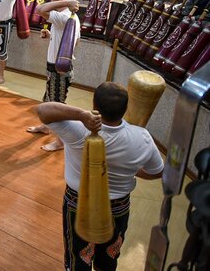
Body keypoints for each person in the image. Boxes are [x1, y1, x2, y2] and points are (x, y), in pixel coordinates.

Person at [36, 82, 164, 271]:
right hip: (119, 207)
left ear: (94, 106)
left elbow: (43, 110)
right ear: (125, 109)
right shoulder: (142, 137)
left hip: (79, 202)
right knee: (109, 258)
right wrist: (131, 169)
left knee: (79, 257)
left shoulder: (79, 130)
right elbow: (158, 171)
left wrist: (81, 115)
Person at [26, 0, 80, 152]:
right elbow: (73, 40)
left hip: (59, 69)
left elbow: (40, 9)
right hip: (54, 67)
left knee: (57, 106)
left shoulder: (64, 16)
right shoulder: (67, 17)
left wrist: (65, 4)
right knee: (48, 100)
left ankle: (60, 141)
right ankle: (45, 126)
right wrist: (51, 36)